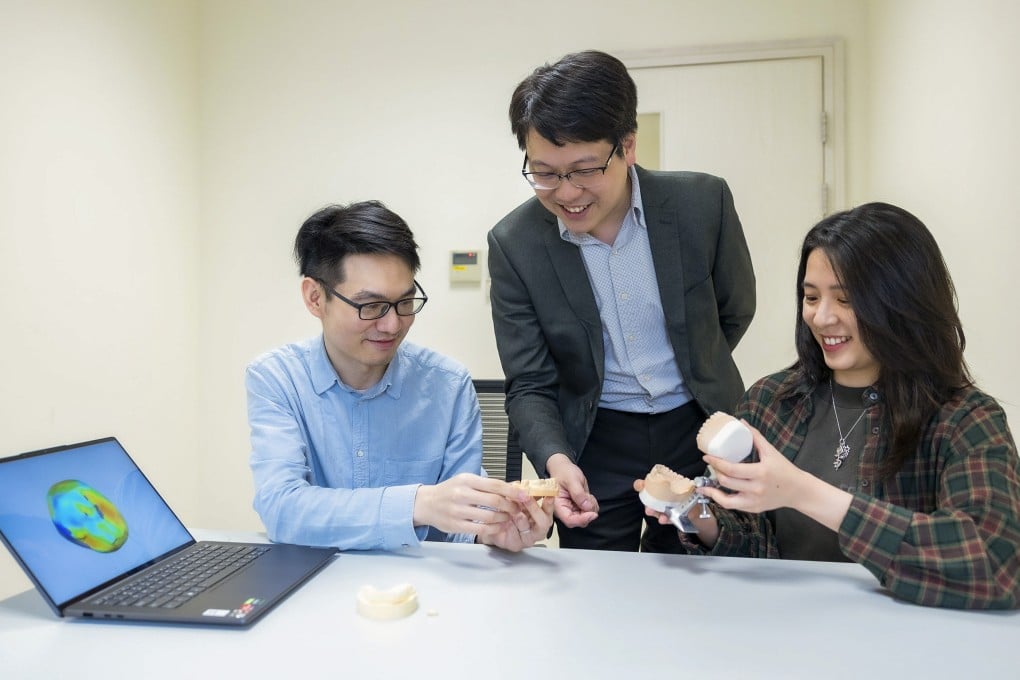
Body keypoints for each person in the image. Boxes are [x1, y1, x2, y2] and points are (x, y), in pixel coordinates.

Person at [638, 202, 1020, 609]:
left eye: (846, 299)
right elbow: (756, 544)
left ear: (904, 302)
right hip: (783, 632)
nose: (821, 318)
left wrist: (804, 492)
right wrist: (701, 519)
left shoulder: (964, 418)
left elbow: (995, 565)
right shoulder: (771, 401)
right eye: (811, 296)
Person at [487, 50, 756, 552]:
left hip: (696, 428)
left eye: (585, 169)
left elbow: (733, 310)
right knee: (595, 590)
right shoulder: (515, 243)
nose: (567, 193)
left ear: (627, 146)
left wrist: (694, 367)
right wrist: (556, 460)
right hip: (593, 441)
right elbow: (529, 382)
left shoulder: (702, 205)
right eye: (544, 172)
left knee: (703, 576)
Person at [247, 200, 553, 552]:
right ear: (316, 298)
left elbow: (461, 523)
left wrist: (492, 532)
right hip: (315, 582)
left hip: (425, 591)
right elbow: (282, 508)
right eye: (371, 306)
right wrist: (419, 504)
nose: (392, 325)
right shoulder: (276, 379)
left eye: (405, 302)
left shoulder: (448, 385)